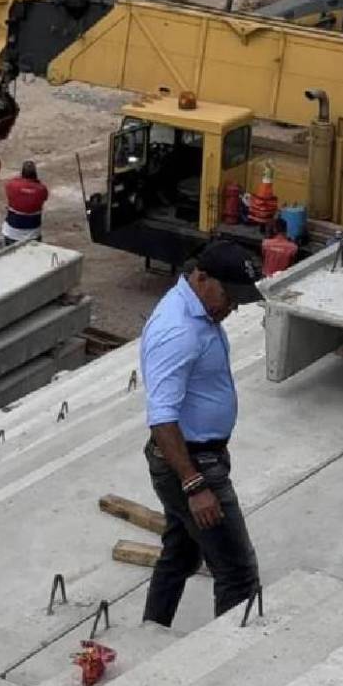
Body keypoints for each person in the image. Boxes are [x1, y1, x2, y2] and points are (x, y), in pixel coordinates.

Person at [140, 240, 264, 626]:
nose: (231, 308)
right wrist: (195, 486)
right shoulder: (178, 331)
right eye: (228, 296)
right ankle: (229, 665)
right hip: (191, 464)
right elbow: (161, 418)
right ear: (201, 277)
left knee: (181, 554)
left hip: (199, 457)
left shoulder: (200, 316)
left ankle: (152, 628)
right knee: (238, 574)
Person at [1, 160, 48, 245]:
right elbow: (44, 197)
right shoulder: (41, 189)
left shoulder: (12, 185)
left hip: (12, 233)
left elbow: (10, 187)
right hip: (33, 234)